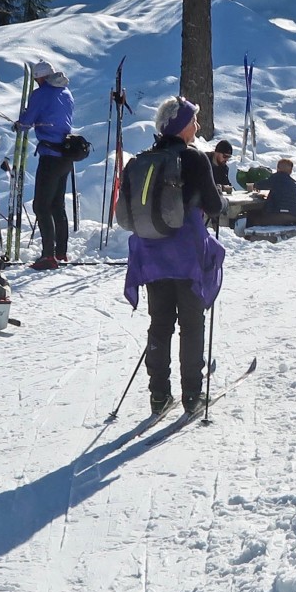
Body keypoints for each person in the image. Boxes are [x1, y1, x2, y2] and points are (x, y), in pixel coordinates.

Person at [123, 97, 225, 417]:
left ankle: (158, 395)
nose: (197, 127)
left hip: (151, 254)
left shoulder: (141, 160)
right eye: (193, 121)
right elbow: (215, 205)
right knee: (192, 325)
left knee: (160, 323)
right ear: (181, 125)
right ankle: (192, 395)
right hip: (186, 254)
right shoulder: (193, 159)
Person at [16, 60, 75, 270]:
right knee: (57, 204)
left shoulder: (42, 93)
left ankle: (48, 255)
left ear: (40, 78)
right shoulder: (66, 92)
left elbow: (26, 121)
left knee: (41, 205)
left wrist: (21, 123)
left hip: (50, 155)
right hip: (66, 155)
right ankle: (61, 251)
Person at [251, 157, 296, 228]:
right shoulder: (295, 183)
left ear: (277, 169)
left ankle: (248, 237)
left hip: (280, 215)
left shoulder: (276, 178)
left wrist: (255, 185)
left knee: (254, 218)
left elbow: (263, 184)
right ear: (291, 171)